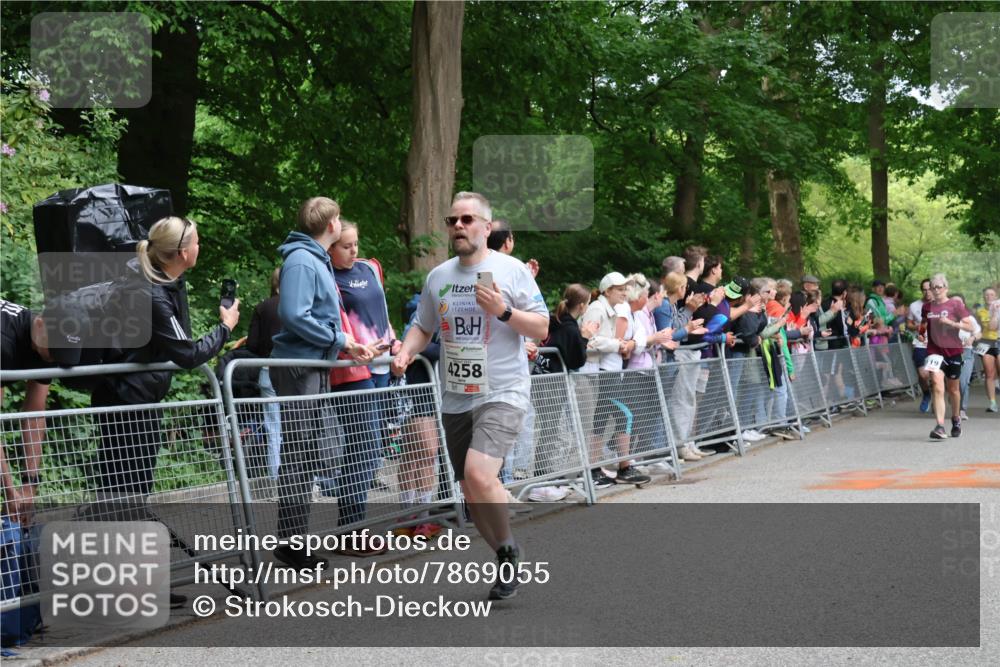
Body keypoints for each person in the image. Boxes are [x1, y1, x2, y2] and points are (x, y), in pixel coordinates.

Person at [391, 191, 549, 601]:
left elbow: (541, 328)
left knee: (480, 474)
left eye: (466, 219)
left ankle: (509, 545)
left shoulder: (513, 271)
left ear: (486, 226)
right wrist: (406, 351)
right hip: (457, 395)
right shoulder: (438, 277)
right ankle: (505, 553)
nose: (458, 226)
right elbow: (423, 326)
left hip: (504, 390)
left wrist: (503, 311)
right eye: (452, 221)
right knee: (468, 488)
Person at [269, 197, 375, 570]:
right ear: (331, 225)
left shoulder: (313, 259)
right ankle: (291, 544)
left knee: (307, 452)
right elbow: (293, 314)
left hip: (313, 366)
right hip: (300, 368)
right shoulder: (302, 260)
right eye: (339, 219)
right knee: (299, 454)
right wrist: (340, 339)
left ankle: (294, 540)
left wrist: (342, 344)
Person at [326, 220, 399, 504]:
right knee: (364, 444)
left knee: (371, 445)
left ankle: (353, 516)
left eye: (356, 243)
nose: (354, 250)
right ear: (330, 248)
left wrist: (395, 341)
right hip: (352, 367)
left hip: (382, 364)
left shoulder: (369, 268)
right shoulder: (326, 275)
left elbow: (380, 311)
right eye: (346, 246)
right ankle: (351, 519)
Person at [580, 272, 653, 487]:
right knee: (624, 415)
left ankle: (596, 469)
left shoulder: (611, 309)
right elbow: (588, 339)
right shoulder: (597, 308)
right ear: (608, 291)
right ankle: (623, 467)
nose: (624, 292)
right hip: (599, 371)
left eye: (625, 289)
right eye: (620, 289)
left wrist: (622, 344)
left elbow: (631, 338)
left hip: (605, 371)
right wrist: (618, 344)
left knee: (600, 420)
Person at [0, 300, 55, 526]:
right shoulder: (4, 341)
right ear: (40, 325)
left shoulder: (48, 347)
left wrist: (29, 487)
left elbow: (34, 414)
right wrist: (9, 491)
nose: (57, 357)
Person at [919, 273, 977, 440]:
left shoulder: (955, 305)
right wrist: (921, 334)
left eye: (939, 287)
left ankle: (956, 418)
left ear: (946, 288)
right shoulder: (927, 307)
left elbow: (970, 327)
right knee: (937, 386)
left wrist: (951, 323)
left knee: (953, 390)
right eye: (933, 287)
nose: (935, 290)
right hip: (934, 351)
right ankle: (940, 426)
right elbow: (923, 324)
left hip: (953, 351)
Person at [246, 268, 283, 481]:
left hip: (268, 370)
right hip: (298, 373)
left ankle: (275, 477)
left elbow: (252, 344)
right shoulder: (299, 307)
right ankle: (302, 478)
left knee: (273, 427)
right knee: (300, 426)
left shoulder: (262, 307)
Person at [908, 279, 934, 412]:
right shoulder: (914, 306)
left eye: (930, 289)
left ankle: (937, 399)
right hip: (921, 343)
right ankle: (927, 394)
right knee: (923, 374)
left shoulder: (940, 304)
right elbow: (909, 323)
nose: (927, 292)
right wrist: (916, 327)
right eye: (924, 289)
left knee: (935, 375)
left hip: (937, 344)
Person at [975, 286, 1000, 413]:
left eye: (991, 295)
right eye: (986, 295)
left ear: (996, 296)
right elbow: (977, 328)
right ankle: (993, 403)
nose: (989, 297)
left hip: (999, 341)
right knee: (989, 373)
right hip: (986, 344)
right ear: (983, 297)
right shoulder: (980, 312)